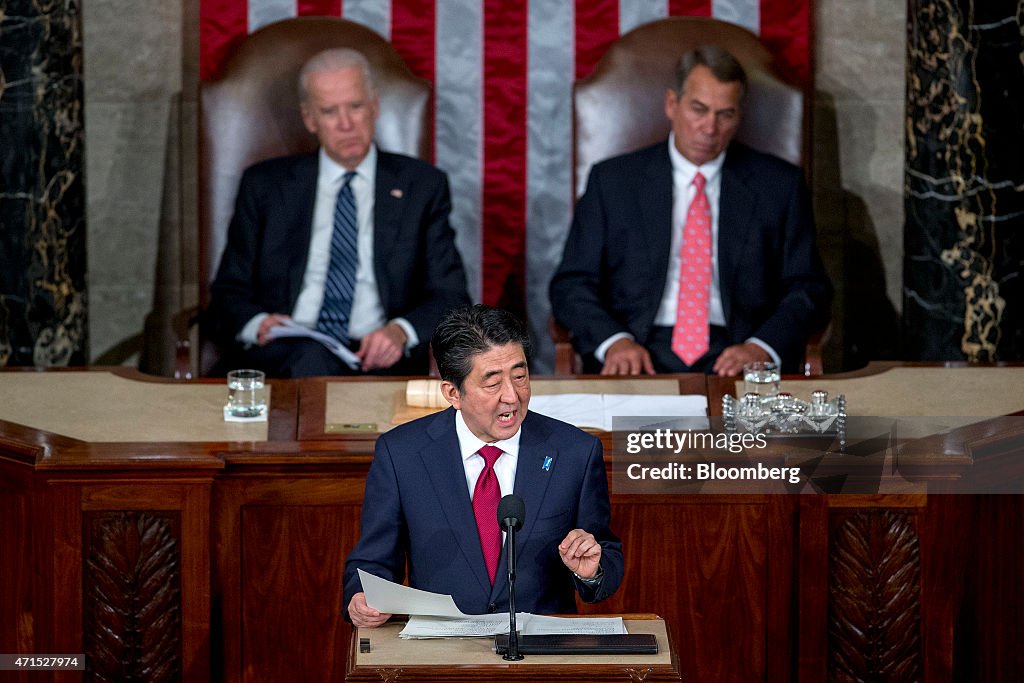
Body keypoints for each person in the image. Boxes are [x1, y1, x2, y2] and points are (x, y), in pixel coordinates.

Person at [549, 45, 831, 377]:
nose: (710, 129)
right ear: (672, 104)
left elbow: (809, 289)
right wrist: (614, 342)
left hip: (737, 352)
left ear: (739, 116)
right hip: (638, 351)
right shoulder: (613, 182)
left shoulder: (779, 186)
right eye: (699, 109)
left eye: (725, 114)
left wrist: (762, 347)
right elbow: (571, 284)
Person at [343, 304, 623, 627]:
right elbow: (373, 562)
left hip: (539, 657)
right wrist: (361, 598)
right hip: (441, 657)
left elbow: (606, 554)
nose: (512, 397)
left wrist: (592, 571)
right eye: (492, 383)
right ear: (453, 393)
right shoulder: (402, 455)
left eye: (520, 376)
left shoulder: (575, 453)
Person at [206, 48, 470, 377]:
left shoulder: (422, 186)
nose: (346, 124)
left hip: (378, 360)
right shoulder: (265, 186)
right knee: (310, 359)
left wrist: (400, 331)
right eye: (330, 112)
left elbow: (451, 294)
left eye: (356, 107)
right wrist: (259, 324)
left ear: (374, 105)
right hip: (283, 357)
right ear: (309, 119)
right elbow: (228, 291)